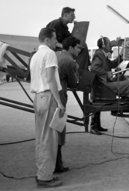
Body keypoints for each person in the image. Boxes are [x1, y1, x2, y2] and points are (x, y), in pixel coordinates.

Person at [90, 37, 129, 135]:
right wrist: (106, 73)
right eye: (109, 44)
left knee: (122, 78)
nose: (110, 45)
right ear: (103, 45)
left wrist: (121, 55)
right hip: (104, 85)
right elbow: (94, 68)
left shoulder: (103, 55)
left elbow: (113, 64)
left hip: (104, 83)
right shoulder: (99, 54)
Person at [30, 27, 65, 188]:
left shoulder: (36, 55)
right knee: (49, 139)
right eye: (54, 38)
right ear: (47, 40)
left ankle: (42, 173)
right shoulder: (49, 54)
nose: (56, 41)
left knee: (41, 137)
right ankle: (45, 177)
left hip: (38, 97)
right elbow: (50, 79)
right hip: (48, 96)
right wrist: (59, 102)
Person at [54, 36, 81, 173]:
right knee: (59, 131)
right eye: (77, 47)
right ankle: (57, 165)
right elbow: (72, 83)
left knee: (52, 132)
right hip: (59, 99)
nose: (79, 49)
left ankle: (55, 163)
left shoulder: (57, 54)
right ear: (70, 48)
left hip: (50, 97)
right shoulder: (69, 61)